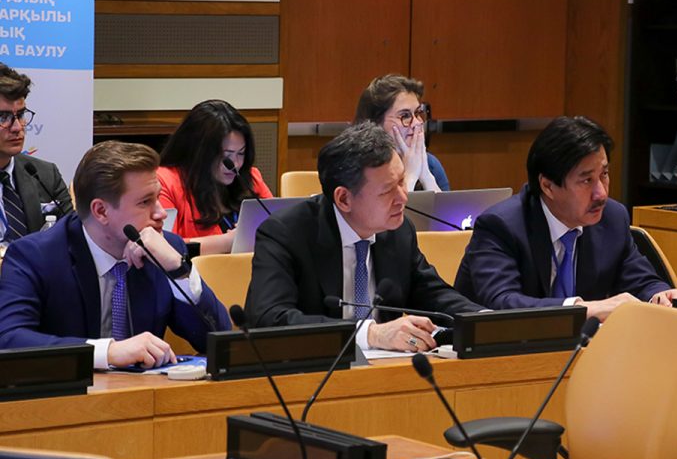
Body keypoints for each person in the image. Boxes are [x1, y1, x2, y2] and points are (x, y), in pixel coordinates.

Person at [247, 122, 482, 351]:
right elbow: (269, 318)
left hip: (388, 368)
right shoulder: (286, 233)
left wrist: (484, 319)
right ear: (344, 199)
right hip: (314, 368)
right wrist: (369, 333)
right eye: (388, 190)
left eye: (402, 181)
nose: (403, 197)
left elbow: (432, 293)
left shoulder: (398, 230)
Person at [0, 141, 232, 369]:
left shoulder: (164, 249)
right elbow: (9, 340)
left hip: (145, 390)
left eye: (158, 197)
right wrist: (108, 352)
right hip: (69, 391)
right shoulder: (36, 256)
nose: (161, 213)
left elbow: (218, 341)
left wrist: (177, 268)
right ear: (101, 211)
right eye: (145, 202)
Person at [454, 116, 677, 321]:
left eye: (604, 175)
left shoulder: (612, 218)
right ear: (548, 186)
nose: (601, 193)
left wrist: (658, 294)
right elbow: (502, 302)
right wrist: (584, 308)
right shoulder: (501, 226)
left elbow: (640, 280)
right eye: (586, 180)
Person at [158, 99, 273, 254]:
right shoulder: (164, 181)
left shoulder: (250, 177)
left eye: (241, 153)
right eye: (226, 156)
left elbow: (277, 226)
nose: (235, 164)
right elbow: (163, 247)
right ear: (198, 151)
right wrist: (230, 241)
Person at [0, 63, 73, 243]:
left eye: (20, 115)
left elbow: (73, 238)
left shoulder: (45, 175)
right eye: (3, 117)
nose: (17, 127)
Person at [354, 74, 449, 192]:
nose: (417, 123)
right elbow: (394, 204)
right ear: (375, 123)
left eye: (417, 113)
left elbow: (444, 205)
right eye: (405, 115)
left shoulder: (430, 163)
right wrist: (410, 176)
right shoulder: (358, 169)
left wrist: (426, 176)